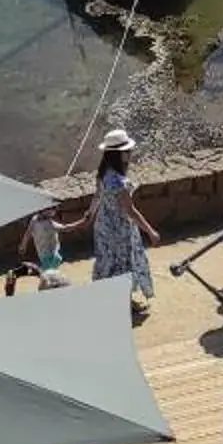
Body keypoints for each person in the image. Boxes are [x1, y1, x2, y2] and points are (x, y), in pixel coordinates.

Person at [58, 130, 158, 318]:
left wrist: (90, 214)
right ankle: (124, 305)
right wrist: (150, 231)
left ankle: (107, 297)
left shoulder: (103, 174)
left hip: (103, 226)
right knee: (123, 266)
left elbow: (97, 197)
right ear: (118, 154)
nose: (130, 154)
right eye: (127, 151)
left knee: (107, 263)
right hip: (120, 230)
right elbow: (130, 211)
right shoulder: (120, 182)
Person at [3, 207, 68, 295]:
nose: (53, 211)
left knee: (48, 275)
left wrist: (23, 244)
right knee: (48, 276)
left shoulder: (48, 222)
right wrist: (23, 244)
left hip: (49, 254)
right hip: (45, 254)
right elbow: (28, 233)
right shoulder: (36, 221)